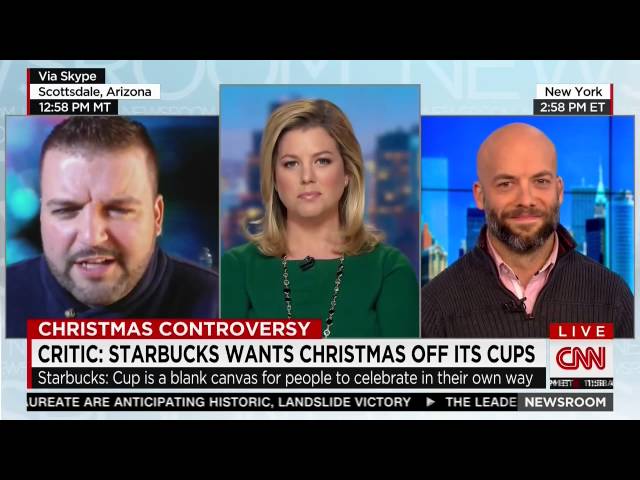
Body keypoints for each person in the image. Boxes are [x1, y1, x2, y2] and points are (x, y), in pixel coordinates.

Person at [221, 99, 418, 338]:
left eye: (322, 161)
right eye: (291, 163)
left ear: (347, 172)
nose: (307, 176)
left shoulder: (388, 270)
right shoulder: (238, 269)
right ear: (273, 177)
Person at [7, 116, 218, 338]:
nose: (92, 237)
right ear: (42, 217)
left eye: (119, 210)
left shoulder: (219, 307)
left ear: (157, 217)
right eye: (66, 210)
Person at [421, 122, 633, 338]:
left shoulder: (613, 296)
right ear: (480, 195)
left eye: (540, 181)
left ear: (559, 191)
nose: (526, 200)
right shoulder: (433, 308)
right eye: (506, 184)